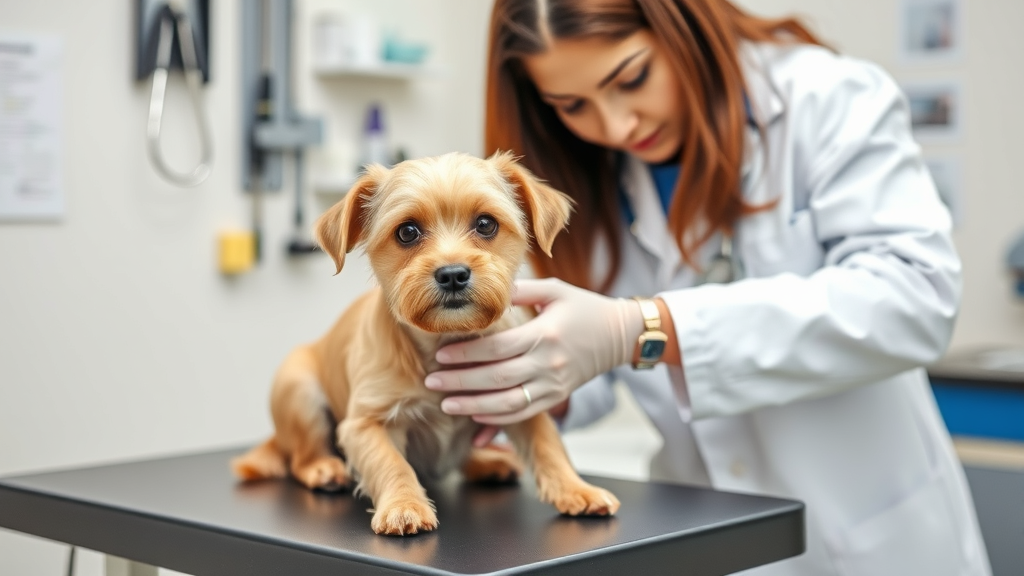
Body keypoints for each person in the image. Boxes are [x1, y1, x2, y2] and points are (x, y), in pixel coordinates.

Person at [423, 1, 991, 574]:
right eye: (572, 105)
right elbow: (596, 363)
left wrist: (640, 328)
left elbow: (915, 297)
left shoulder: (827, 98)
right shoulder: (590, 171)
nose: (617, 125)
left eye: (632, 77)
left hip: (867, 538)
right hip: (702, 529)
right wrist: (530, 375)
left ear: (681, 24)